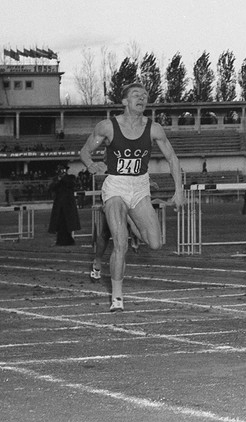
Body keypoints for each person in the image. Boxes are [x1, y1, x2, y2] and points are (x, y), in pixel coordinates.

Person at [79, 83, 183, 312]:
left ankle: (129, 217)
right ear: (124, 101)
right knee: (120, 242)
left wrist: (179, 190)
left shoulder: (154, 129)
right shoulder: (108, 126)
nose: (142, 98)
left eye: (145, 95)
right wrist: (90, 164)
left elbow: (172, 158)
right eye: (136, 95)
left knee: (155, 243)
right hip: (116, 185)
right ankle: (117, 298)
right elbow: (85, 151)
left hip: (140, 187)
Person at [47, 165, 80, 245]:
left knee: (68, 223)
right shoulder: (56, 179)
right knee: (60, 223)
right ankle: (61, 240)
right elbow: (51, 188)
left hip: (68, 204)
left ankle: (68, 240)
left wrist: (62, 179)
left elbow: (72, 184)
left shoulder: (70, 178)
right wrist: (58, 181)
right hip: (59, 205)